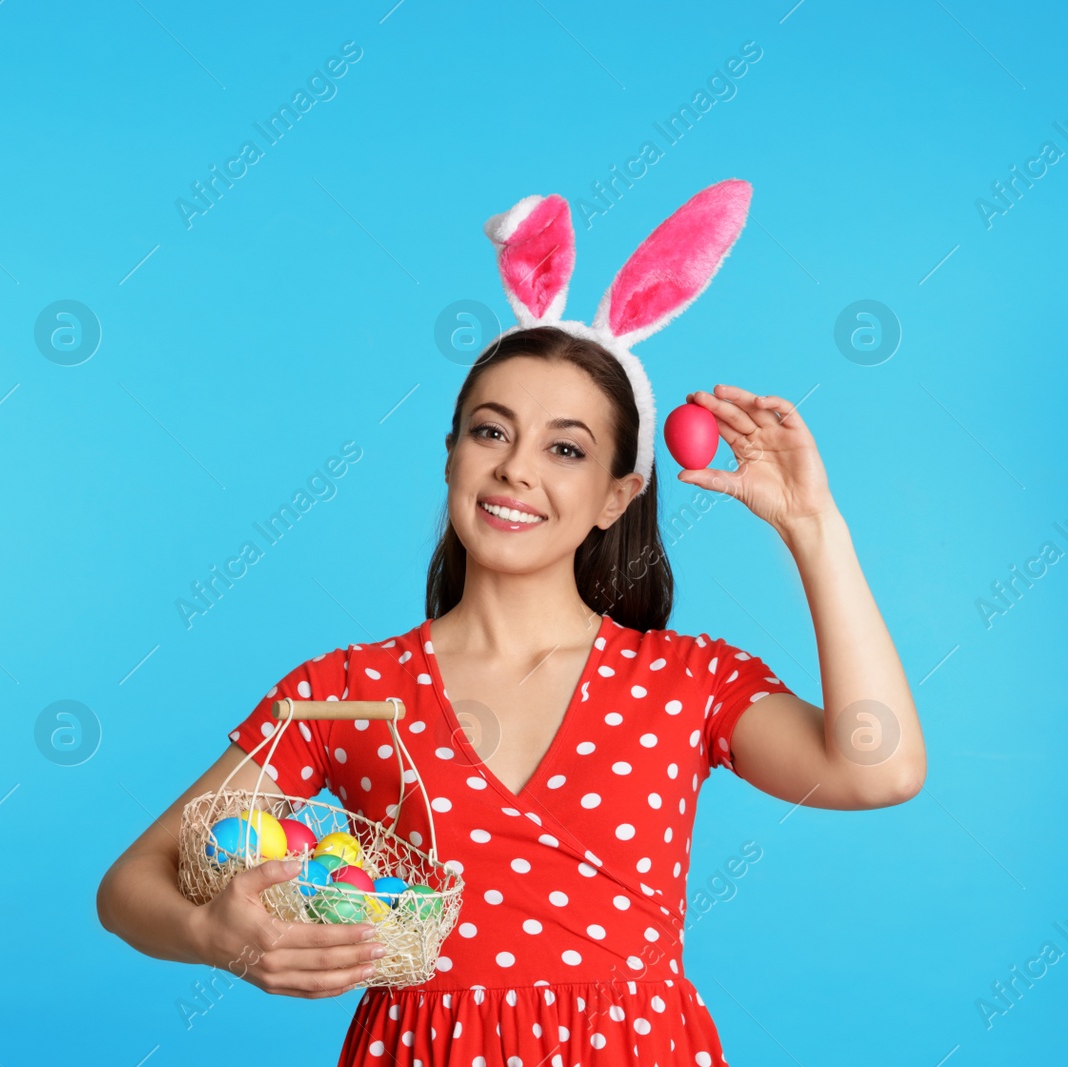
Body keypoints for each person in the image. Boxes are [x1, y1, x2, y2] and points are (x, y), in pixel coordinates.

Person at [99, 185, 926, 1064]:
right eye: (491, 432)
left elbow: (879, 768)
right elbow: (128, 887)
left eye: (565, 448)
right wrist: (219, 938)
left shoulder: (686, 681)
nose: (516, 470)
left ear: (619, 493)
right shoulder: (345, 692)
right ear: (452, 452)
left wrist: (814, 528)